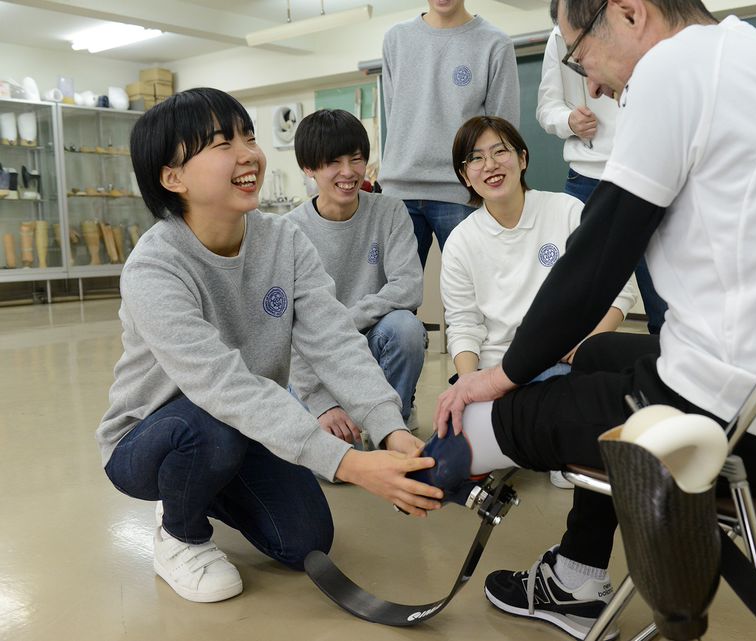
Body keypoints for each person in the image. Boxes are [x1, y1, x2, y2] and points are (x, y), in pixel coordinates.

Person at [427, 1, 756, 638]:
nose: (590, 84)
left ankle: (436, 465)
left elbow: (595, 266)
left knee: (510, 416)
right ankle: (577, 575)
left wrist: (499, 379)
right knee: (593, 358)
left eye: (579, 55)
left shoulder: (673, 70)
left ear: (629, 13)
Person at [96, 88, 442, 605]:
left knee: (306, 540)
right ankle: (179, 532)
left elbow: (335, 342)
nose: (248, 155)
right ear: (173, 177)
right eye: (222, 144)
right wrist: (350, 464)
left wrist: (390, 429)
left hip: (239, 425)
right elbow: (223, 386)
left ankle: (197, 486)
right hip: (151, 437)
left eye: (249, 137)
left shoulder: (283, 240)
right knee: (209, 424)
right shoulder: (155, 266)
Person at [442, 115, 637, 489]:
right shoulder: (461, 242)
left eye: (500, 152)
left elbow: (621, 288)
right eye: (476, 158)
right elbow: (464, 324)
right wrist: (468, 385)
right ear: (465, 175)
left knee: (570, 456)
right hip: (496, 374)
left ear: (523, 158)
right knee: (450, 458)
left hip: (561, 364)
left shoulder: (566, 211)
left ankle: (542, 440)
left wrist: (587, 343)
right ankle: (528, 434)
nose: (490, 165)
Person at [287, 109, 426, 441]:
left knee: (406, 328)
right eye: (333, 162)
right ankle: (340, 414)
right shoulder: (289, 230)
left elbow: (409, 287)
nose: (348, 172)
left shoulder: (390, 210)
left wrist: (342, 322)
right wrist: (321, 403)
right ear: (308, 167)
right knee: (332, 461)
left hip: (370, 339)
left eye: (356, 159)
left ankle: (391, 423)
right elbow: (283, 330)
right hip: (316, 356)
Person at [537, 0, 668, 335]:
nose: (594, 86)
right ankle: (571, 349)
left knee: (659, 287)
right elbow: (546, 107)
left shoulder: (640, 23)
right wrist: (568, 120)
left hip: (643, 168)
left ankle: (668, 350)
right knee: (579, 283)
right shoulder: (560, 36)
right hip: (586, 177)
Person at [380, 0, 521, 268]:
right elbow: (394, 113)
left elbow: (504, 131)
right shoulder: (395, 39)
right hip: (399, 192)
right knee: (396, 291)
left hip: (462, 191)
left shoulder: (495, 43)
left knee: (474, 286)